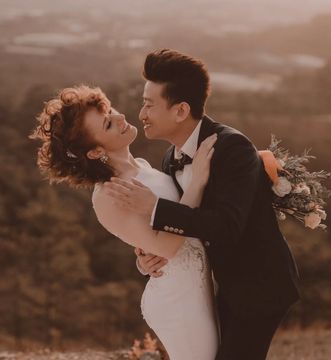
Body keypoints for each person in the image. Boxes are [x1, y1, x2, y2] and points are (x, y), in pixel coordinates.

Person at [105, 49, 300, 360]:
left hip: (257, 282)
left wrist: (154, 207)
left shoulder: (232, 147)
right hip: (213, 284)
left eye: (149, 105)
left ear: (181, 111)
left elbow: (225, 226)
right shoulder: (171, 157)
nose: (141, 114)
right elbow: (182, 221)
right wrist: (147, 256)